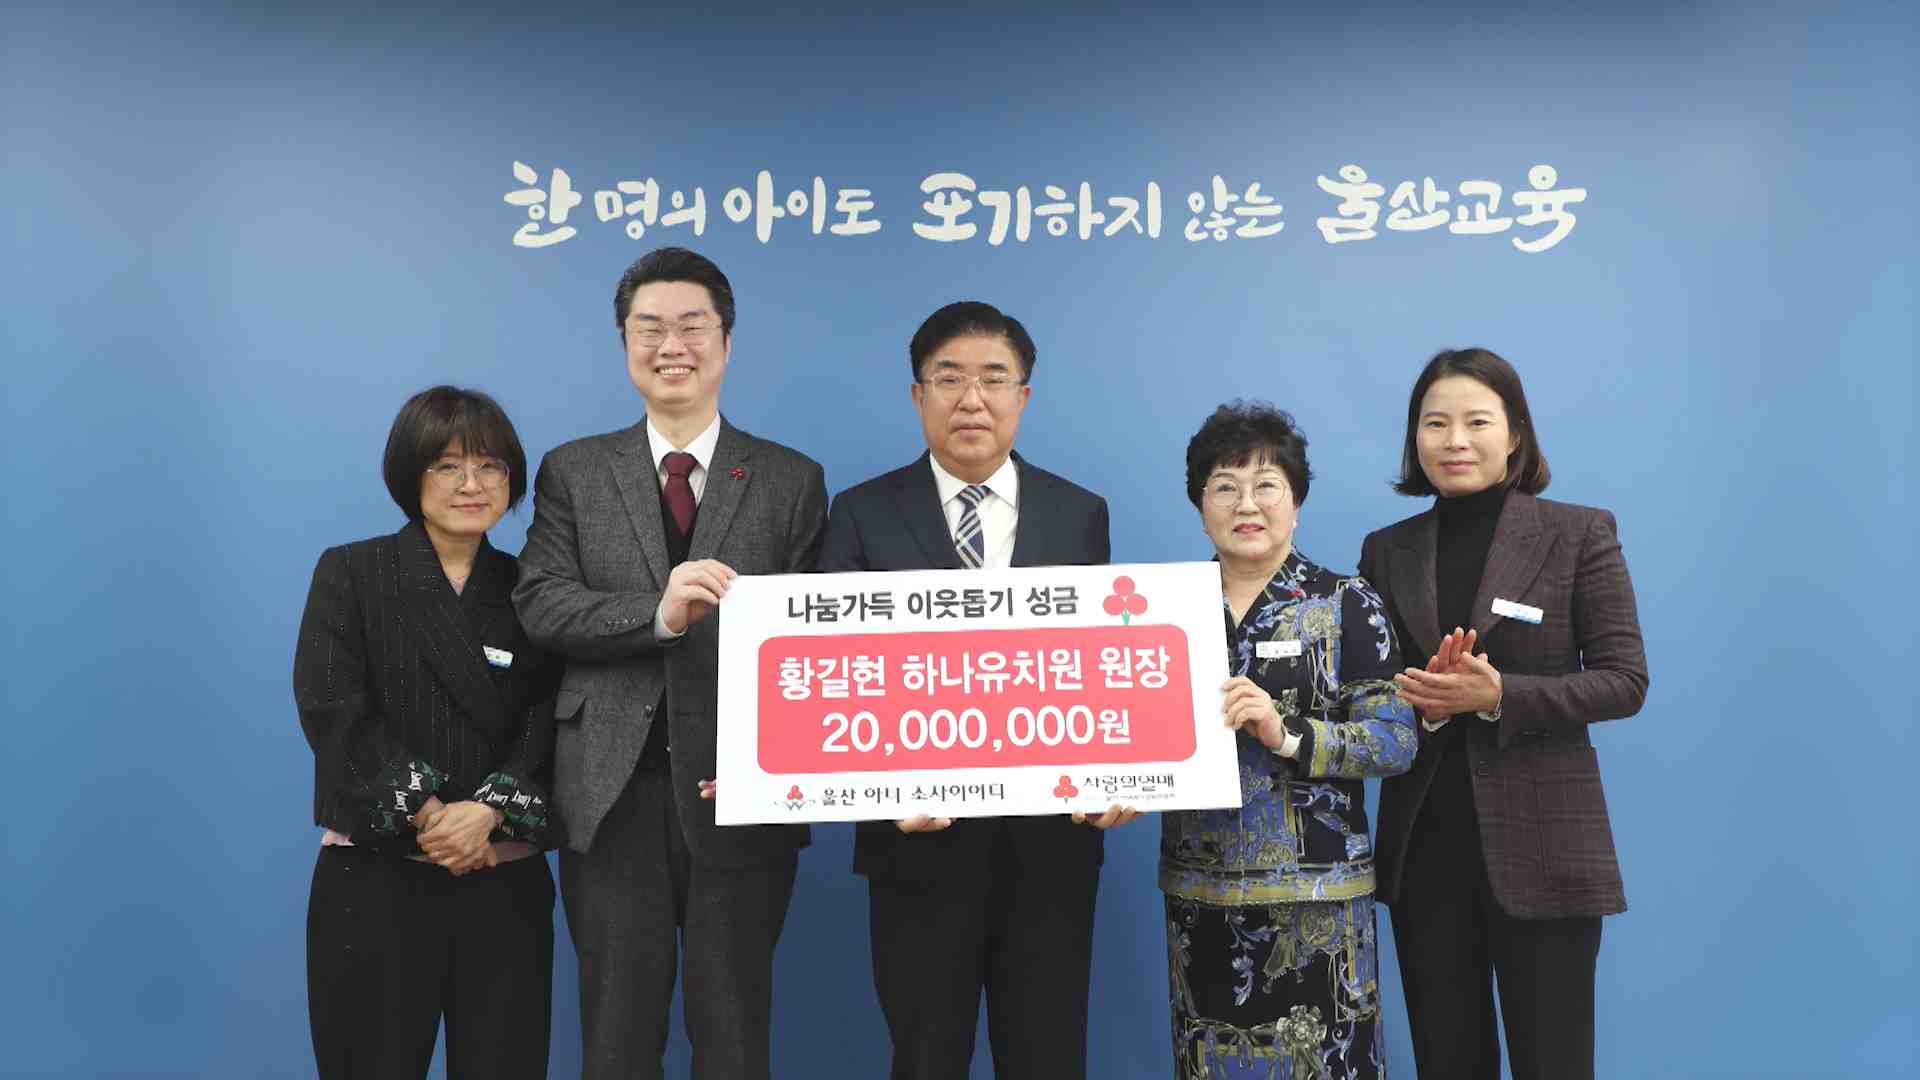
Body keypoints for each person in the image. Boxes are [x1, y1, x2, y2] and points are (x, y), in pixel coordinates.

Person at [513, 247, 827, 1080]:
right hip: (609, 793)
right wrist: (657, 612)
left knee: (734, 1036)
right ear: (624, 342)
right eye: (648, 328)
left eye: (692, 326)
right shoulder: (575, 471)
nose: (671, 346)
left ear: (726, 341)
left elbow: (808, 647)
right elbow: (541, 603)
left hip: (740, 795)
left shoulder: (792, 480)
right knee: (617, 1040)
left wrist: (765, 760)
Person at [817, 301, 1131, 1080]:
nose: (971, 399)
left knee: (1048, 1056)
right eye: (948, 378)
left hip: (1051, 850)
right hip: (915, 845)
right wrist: (881, 792)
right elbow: (836, 679)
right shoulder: (860, 513)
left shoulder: (1079, 513)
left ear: (1023, 395)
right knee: (926, 1057)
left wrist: (1118, 777)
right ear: (917, 394)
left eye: (994, 379)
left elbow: (1098, 671)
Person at [1358, 347, 1649, 1080]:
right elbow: (1369, 691)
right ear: (1415, 437)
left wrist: (1498, 696)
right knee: (1448, 1062)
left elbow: (1623, 681)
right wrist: (1426, 707)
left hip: (1547, 849)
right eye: (1435, 423)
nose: (1454, 440)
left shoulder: (1578, 533)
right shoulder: (1386, 551)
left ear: (1515, 433)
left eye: (1477, 422)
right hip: (1425, 851)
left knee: (1555, 1063)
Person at [294, 385, 560, 1080]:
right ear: (409, 476)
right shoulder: (352, 572)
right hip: (375, 878)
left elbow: (554, 714)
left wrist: (489, 812)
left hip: (502, 876)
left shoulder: (535, 587)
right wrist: (432, 814)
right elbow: (331, 708)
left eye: (491, 466)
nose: (472, 484)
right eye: (448, 466)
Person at [1158, 401, 1417, 1080]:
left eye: (1266, 485)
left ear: (1296, 503)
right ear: (1201, 506)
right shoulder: (1161, 610)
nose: (1246, 503)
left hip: (1319, 905)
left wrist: (1289, 733)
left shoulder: (1346, 601)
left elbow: (1396, 740)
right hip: (1200, 899)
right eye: (1224, 486)